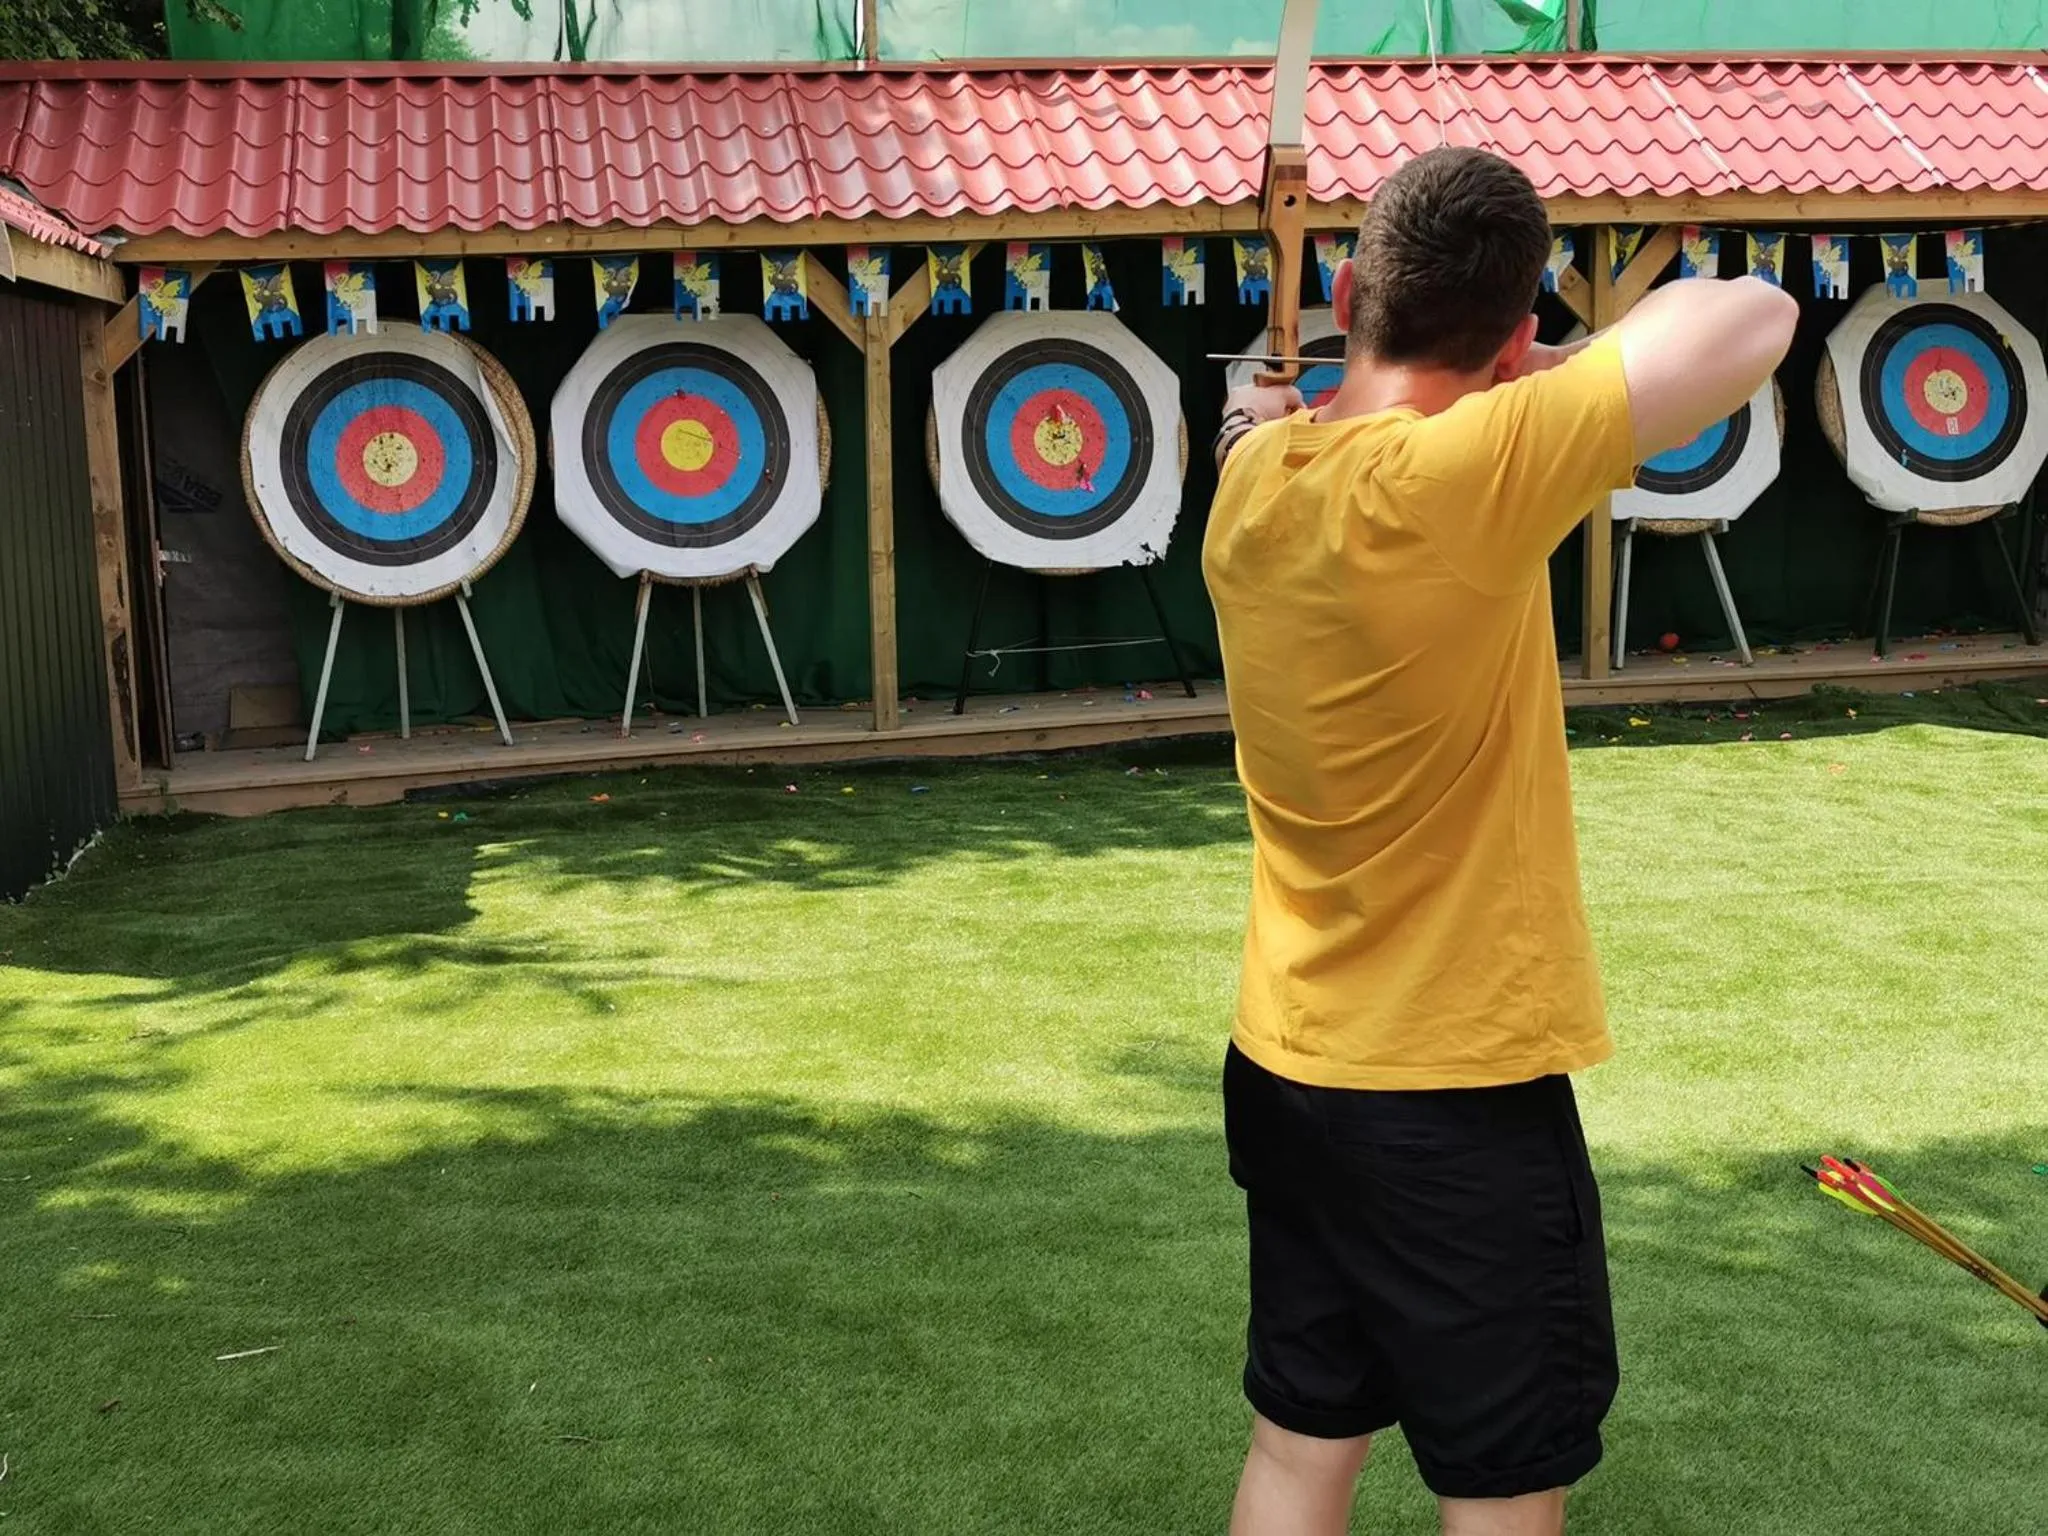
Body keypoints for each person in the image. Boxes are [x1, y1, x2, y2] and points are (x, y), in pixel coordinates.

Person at [1204, 147, 1797, 1536]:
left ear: (1346, 293)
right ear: (1519, 330)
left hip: (1288, 1063)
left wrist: (1269, 405)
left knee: (1300, 1446)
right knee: (1502, 1484)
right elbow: (1753, 316)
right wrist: (1546, 375)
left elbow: (1254, 425)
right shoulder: (1470, 471)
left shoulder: (1251, 482)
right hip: (1449, 1093)